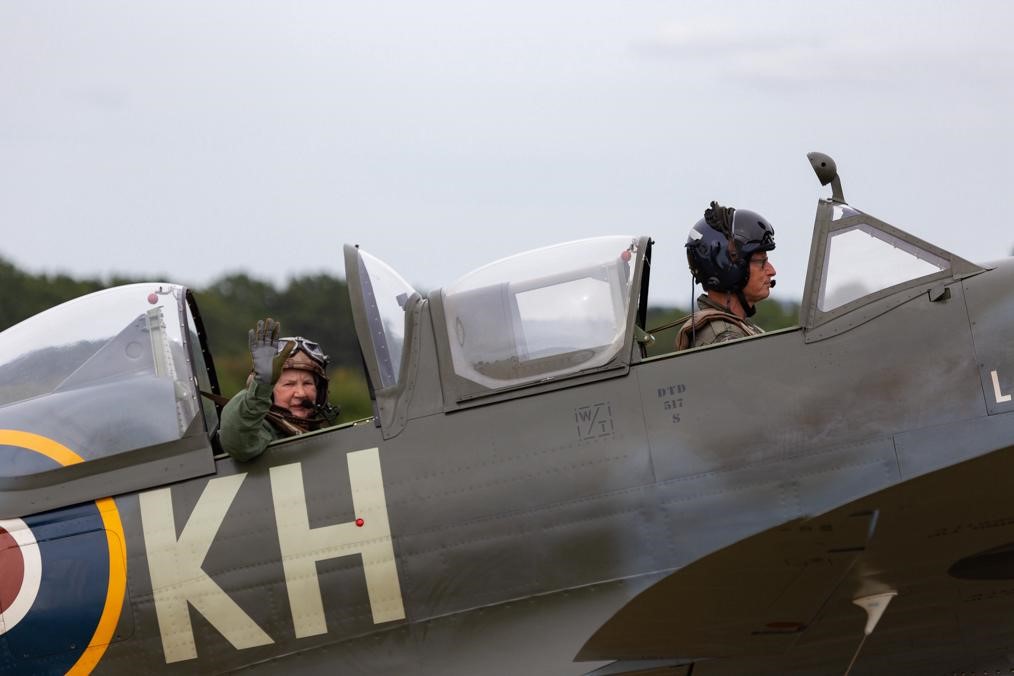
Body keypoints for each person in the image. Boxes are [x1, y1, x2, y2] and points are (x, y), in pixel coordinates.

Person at [219, 317, 339, 461]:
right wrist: (261, 386)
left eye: (307, 384)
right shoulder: (261, 433)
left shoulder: (326, 438)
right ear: (269, 393)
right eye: (289, 384)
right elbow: (237, 442)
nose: (301, 393)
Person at [677, 201, 777, 350]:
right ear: (728, 268)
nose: (772, 271)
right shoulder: (725, 340)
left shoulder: (738, 327)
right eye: (761, 262)